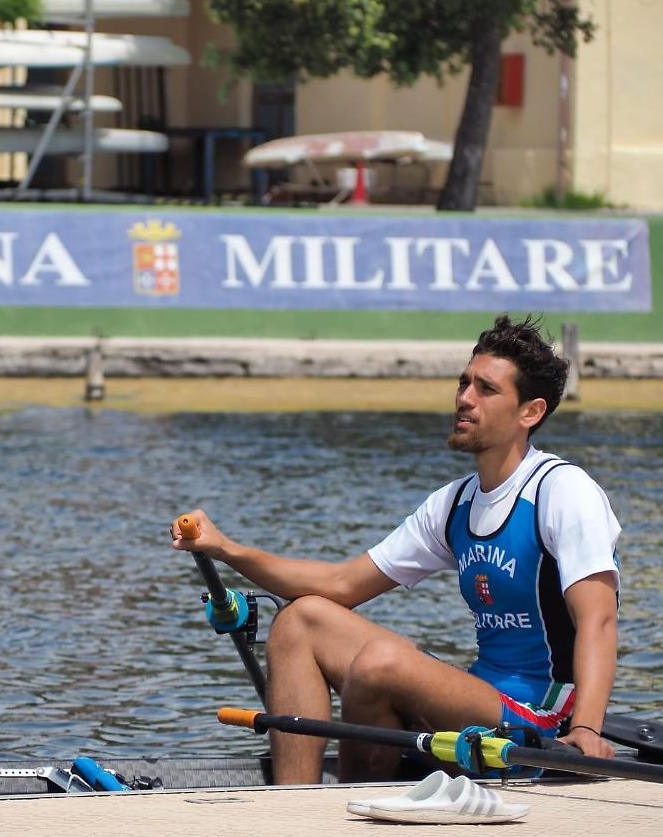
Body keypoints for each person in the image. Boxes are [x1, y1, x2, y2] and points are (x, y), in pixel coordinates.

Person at [170, 315, 620, 784]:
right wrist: (226, 549)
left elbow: (599, 619)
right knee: (300, 621)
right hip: (479, 700)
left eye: (486, 389)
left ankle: (349, 797)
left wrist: (586, 729)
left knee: (381, 663)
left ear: (530, 412)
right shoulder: (454, 504)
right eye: (464, 383)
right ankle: (296, 805)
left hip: (544, 721)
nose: (465, 398)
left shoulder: (564, 491)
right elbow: (341, 584)